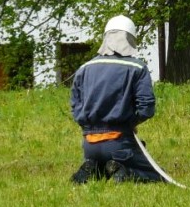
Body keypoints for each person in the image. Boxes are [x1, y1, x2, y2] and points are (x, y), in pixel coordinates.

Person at [69, 15, 165, 184]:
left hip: (89, 145)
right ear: (130, 39)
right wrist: (130, 124)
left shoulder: (84, 69)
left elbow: (76, 107)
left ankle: (94, 167)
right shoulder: (137, 68)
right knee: (159, 176)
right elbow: (147, 108)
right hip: (120, 142)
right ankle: (125, 172)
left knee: (104, 171)